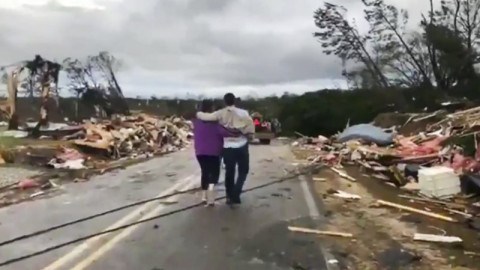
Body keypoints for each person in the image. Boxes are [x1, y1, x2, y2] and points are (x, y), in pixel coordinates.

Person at [196, 93, 254, 205]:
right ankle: (236, 192)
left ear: (224, 102)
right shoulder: (243, 113)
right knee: (243, 171)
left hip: (228, 147)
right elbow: (250, 126)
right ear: (235, 101)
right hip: (242, 145)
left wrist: (198, 113)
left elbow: (206, 117)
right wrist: (250, 135)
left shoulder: (220, 113)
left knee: (229, 172)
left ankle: (229, 196)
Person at [193, 99, 239, 206]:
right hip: (214, 152)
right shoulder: (216, 122)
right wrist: (239, 133)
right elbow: (226, 132)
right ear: (211, 108)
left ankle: (204, 197)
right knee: (214, 174)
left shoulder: (197, 121)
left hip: (200, 152)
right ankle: (211, 196)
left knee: (204, 172)